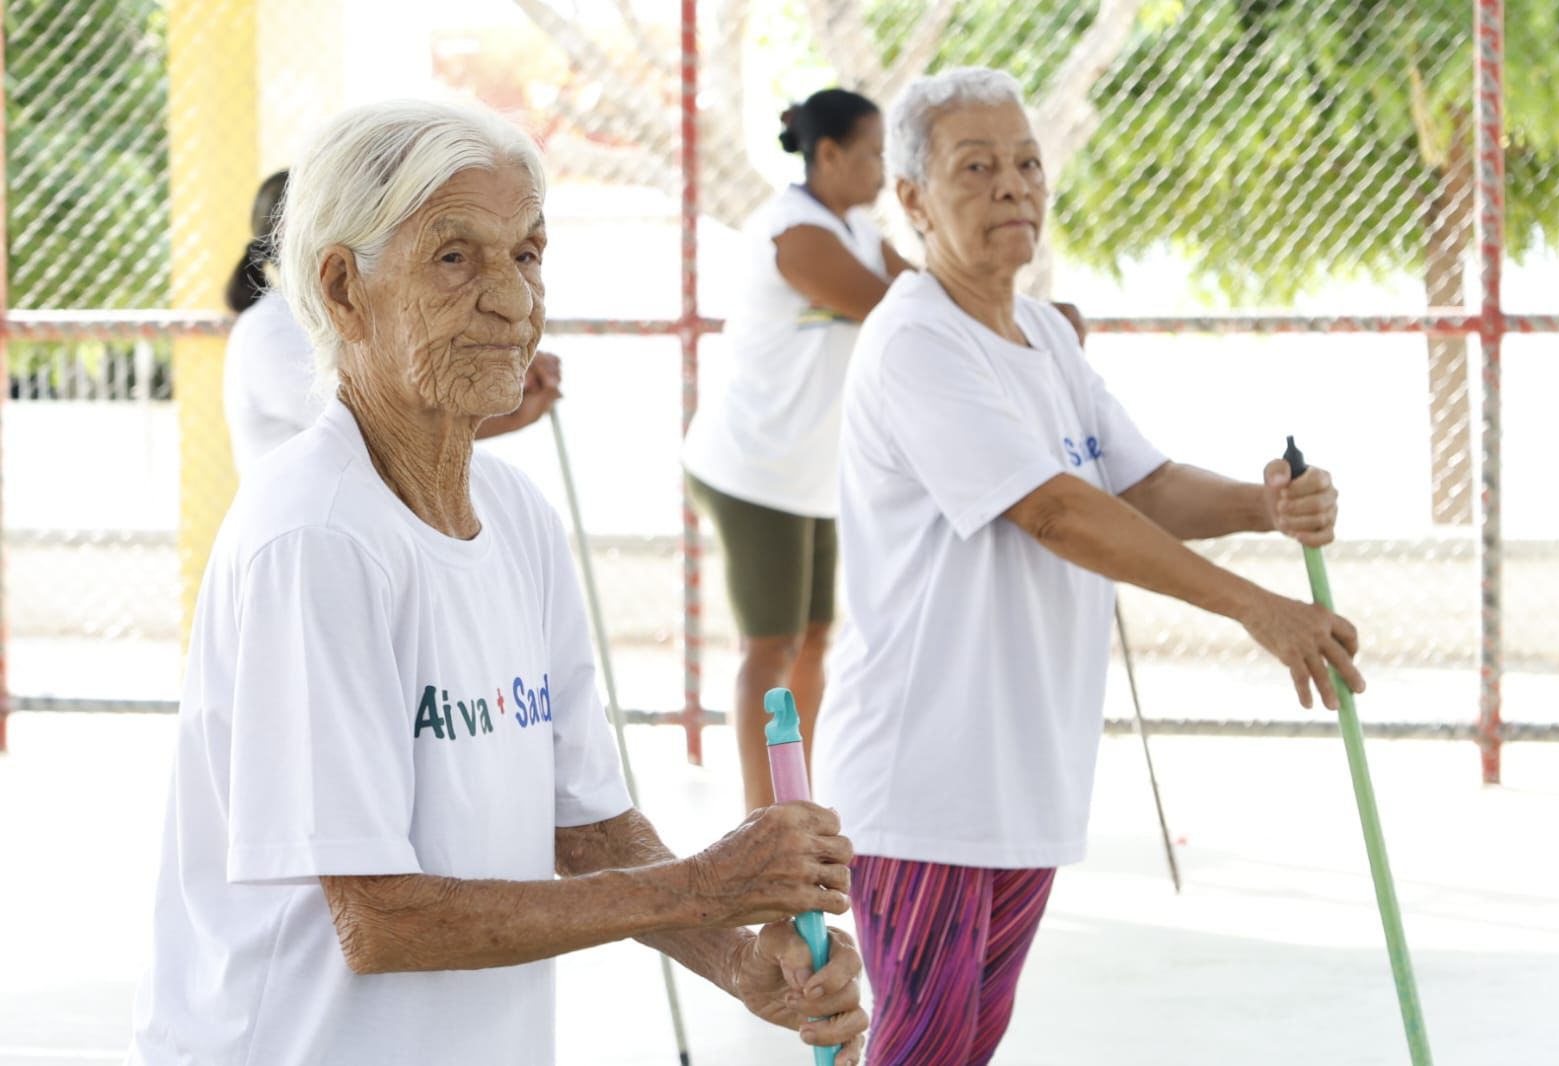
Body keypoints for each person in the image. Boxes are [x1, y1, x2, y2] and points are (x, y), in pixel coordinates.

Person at [129, 99, 866, 1066]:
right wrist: (705, 885)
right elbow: (382, 921)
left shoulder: (514, 515)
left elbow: (591, 829)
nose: (514, 301)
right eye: (454, 258)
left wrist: (735, 964)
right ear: (344, 289)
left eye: (527, 255)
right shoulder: (314, 539)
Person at [811, 67, 1363, 1066]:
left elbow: (1137, 486)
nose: (1014, 185)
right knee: (924, 1050)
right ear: (912, 200)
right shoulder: (916, 342)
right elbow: (1058, 511)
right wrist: (1254, 607)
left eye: (1027, 162)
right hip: (924, 782)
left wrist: (1260, 506)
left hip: (1021, 778)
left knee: (964, 1046)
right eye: (975, 167)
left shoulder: (1040, 341)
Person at [681, 88, 916, 812]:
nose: (882, 168)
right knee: (769, 649)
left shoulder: (853, 227)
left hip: (812, 476)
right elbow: (900, 309)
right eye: (872, 153)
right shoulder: (796, 232)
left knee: (814, 638)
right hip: (756, 471)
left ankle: (797, 800)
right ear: (827, 155)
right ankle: (765, 820)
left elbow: (921, 292)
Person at [222, 169, 560, 476]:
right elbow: (379, 428)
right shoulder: (269, 330)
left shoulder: (359, 310)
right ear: (290, 238)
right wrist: (504, 406)